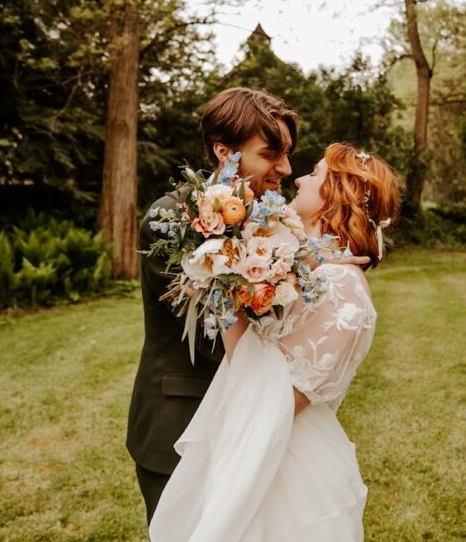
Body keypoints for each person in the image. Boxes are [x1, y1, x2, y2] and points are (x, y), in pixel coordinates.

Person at [149, 142, 400, 541]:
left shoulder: (342, 287)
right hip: (263, 446)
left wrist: (224, 280)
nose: (298, 179)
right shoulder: (318, 272)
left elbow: (275, 396)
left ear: (337, 194)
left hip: (286, 472)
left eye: (314, 174)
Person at [127, 87, 299, 524]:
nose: (285, 168)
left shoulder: (273, 219)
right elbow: (211, 331)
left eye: (287, 154)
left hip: (251, 424)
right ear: (224, 151)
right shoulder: (172, 218)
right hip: (182, 422)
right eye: (271, 154)